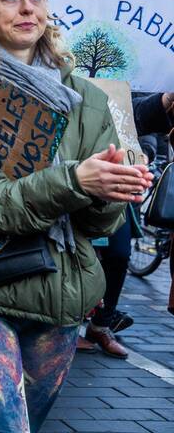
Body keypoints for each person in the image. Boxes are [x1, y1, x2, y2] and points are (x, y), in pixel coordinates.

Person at [0, 0, 151, 432]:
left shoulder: (87, 98)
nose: (28, 8)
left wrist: (114, 189)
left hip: (64, 299)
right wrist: (76, 180)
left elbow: (97, 226)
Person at [81, 89, 174, 357]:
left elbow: (146, 128)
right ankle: (69, 324)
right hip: (79, 176)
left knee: (119, 254)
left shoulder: (137, 82)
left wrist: (143, 154)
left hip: (119, 183)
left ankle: (101, 324)